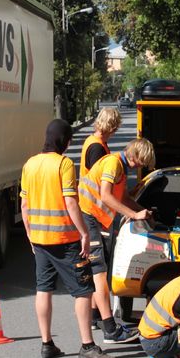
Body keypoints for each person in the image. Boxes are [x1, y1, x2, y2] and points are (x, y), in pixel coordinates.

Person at [20, 119, 116, 358]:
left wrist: (30, 234)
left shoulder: (30, 164)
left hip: (40, 240)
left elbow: (24, 204)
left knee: (43, 289)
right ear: (63, 140)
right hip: (65, 240)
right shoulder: (63, 164)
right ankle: (87, 345)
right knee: (83, 291)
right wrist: (84, 233)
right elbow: (71, 202)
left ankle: (47, 344)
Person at [78, 138, 156, 344]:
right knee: (99, 273)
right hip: (89, 217)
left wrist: (141, 210)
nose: (141, 165)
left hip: (96, 219)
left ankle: (97, 317)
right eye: (141, 161)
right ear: (135, 154)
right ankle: (110, 329)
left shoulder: (121, 166)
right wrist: (134, 214)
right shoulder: (113, 163)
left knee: (98, 272)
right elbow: (106, 196)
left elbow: (121, 198)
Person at [80, 106, 122, 329]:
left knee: (96, 266)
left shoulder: (92, 142)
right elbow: (100, 185)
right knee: (98, 267)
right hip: (94, 212)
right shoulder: (97, 148)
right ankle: (103, 319)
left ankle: (96, 315)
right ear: (112, 126)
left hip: (92, 211)